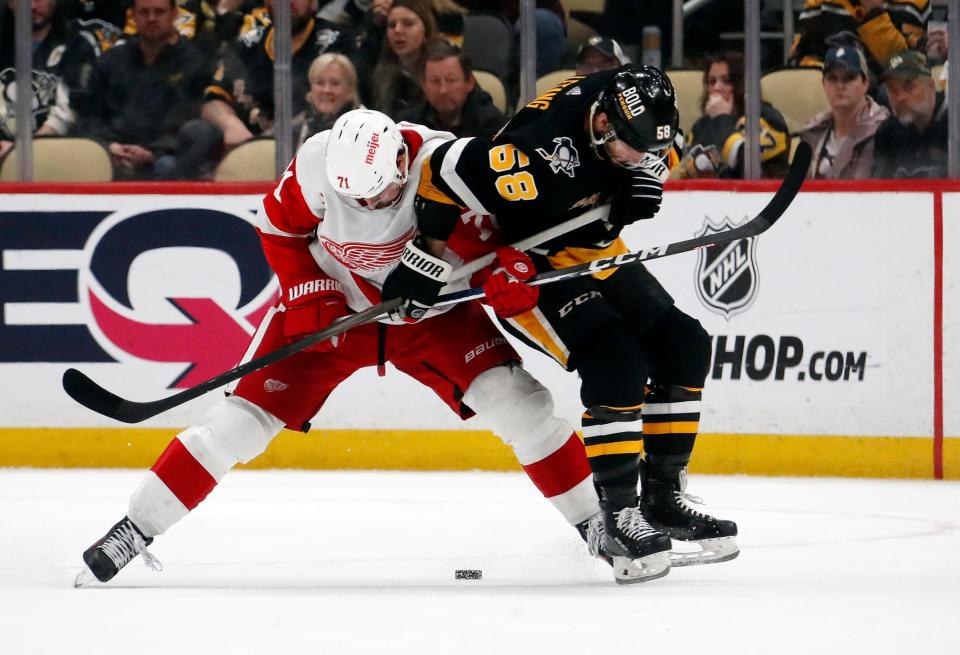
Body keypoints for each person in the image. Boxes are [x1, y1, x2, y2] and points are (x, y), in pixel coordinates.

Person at [78, 109, 664, 587]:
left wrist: (503, 272)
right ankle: (135, 527)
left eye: (382, 196)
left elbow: (512, 233)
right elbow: (278, 231)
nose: (369, 207)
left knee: (521, 405)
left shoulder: (449, 163)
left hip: (429, 318)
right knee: (236, 425)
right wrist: (313, 299)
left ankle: (595, 524)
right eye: (353, 198)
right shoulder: (316, 162)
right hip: (332, 308)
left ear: (403, 161)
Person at [380, 65, 739, 569]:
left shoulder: (633, 102)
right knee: (616, 364)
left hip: (587, 244)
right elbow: (438, 166)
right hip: (530, 265)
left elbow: (660, 150)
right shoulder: (528, 157)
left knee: (684, 344)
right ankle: (617, 516)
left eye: (647, 149)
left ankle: (660, 500)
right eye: (633, 149)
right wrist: (427, 254)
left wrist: (640, 175)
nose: (643, 159)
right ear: (600, 126)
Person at [78, 0, 222, 179]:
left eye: (159, 12)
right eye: (144, 12)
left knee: (169, 164)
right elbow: (89, 115)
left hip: (166, 160)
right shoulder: (111, 61)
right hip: (113, 156)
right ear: (133, 15)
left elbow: (193, 122)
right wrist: (108, 146)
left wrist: (154, 153)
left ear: (174, 14)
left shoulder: (197, 63)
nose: (151, 18)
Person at [202, 0, 357, 149]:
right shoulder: (248, 44)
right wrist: (230, 124)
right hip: (248, 151)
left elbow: (347, 104)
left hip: (310, 148)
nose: (288, 2)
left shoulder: (338, 43)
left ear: (313, 2)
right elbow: (213, 100)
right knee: (198, 131)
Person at [0, 0, 104, 162]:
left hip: (53, 154)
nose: (32, 6)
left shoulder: (77, 44)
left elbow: (68, 112)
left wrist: (19, 150)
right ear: (10, 3)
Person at [673, 52, 791, 179]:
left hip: (762, 195)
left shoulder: (769, 118)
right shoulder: (701, 126)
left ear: (743, 85)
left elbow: (748, 164)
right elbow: (687, 171)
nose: (716, 88)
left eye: (726, 81)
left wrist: (722, 118)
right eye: (712, 82)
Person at [800, 43, 889, 179]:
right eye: (832, 78)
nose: (840, 86)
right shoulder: (812, 132)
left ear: (866, 83)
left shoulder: (885, 130)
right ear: (823, 84)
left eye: (849, 78)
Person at [397, 40, 505, 139]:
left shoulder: (490, 124)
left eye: (451, 80)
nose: (442, 90)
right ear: (423, 84)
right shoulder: (408, 125)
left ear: (469, 83)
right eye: (435, 81)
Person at [789, 0, 930, 75]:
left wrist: (873, 14)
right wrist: (835, 75)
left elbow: (909, 69)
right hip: (831, 82)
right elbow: (801, 57)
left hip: (887, 91)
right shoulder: (821, 2)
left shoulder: (914, 3)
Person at [873, 49, 948, 178]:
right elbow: (879, 193)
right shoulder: (887, 133)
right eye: (892, 90)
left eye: (909, 86)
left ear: (931, 86)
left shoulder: (954, 124)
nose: (900, 97)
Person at [366, 0, 436, 117]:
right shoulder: (381, 73)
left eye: (408, 24)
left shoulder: (444, 67)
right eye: (392, 25)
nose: (397, 30)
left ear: (426, 30)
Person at [297, 52, 362, 147]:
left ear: (350, 91)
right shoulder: (296, 127)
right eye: (319, 83)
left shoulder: (367, 127)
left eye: (335, 83)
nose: (326, 90)